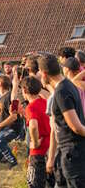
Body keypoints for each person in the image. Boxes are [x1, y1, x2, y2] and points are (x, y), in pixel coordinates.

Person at [39, 54, 85, 188]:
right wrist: (52, 157)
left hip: (73, 154)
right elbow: (55, 128)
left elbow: (76, 127)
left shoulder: (61, 92)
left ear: (44, 73)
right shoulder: (68, 85)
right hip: (70, 153)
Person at [21, 76, 50, 188]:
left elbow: (33, 126)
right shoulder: (46, 102)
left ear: (24, 90)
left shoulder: (30, 107)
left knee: (34, 183)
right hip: (50, 148)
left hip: (39, 151)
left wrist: (35, 141)